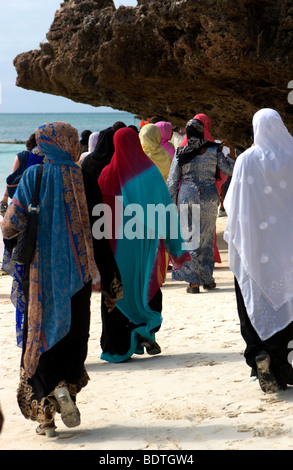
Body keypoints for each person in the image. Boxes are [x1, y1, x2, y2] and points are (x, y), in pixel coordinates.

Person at [1, 121, 122, 437]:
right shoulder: (84, 178)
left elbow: (10, 225)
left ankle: (46, 417)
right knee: (73, 335)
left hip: (41, 278)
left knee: (40, 338)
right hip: (79, 276)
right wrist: (110, 279)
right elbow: (100, 234)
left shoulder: (33, 175)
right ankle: (65, 388)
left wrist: (17, 250)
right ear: (71, 144)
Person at [97, 127, 190, 363]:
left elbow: (100, 215)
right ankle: (145, 330)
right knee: (147, 283)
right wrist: (174, 244)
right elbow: (166, 210)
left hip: (117, 245)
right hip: (146, 244)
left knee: (119, 289)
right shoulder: (150, 173)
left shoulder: (107, 174)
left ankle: (119, 344)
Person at [224, 108, 293, 393]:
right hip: (287, 250)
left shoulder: (245, 160)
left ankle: (259, 355)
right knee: (288, 303)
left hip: (254, 250)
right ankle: (283, 365)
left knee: (253, 303)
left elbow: (232, 204)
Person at [167, 118, 235, 293]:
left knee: (190, 237)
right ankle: (207, 278)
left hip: (187, 196)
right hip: (209, 196)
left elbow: (173, 180)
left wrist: (170, 201)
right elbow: (230, 170)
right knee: (206, 237)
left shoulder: (181, 151)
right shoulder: (213, 149)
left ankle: (193, 282)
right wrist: (232, 153)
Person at [1, 133, 36, 215]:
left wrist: (5, 197)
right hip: (37, 196)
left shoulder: (21, 156)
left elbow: (12, 176)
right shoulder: (46, 158)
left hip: (19, 196)